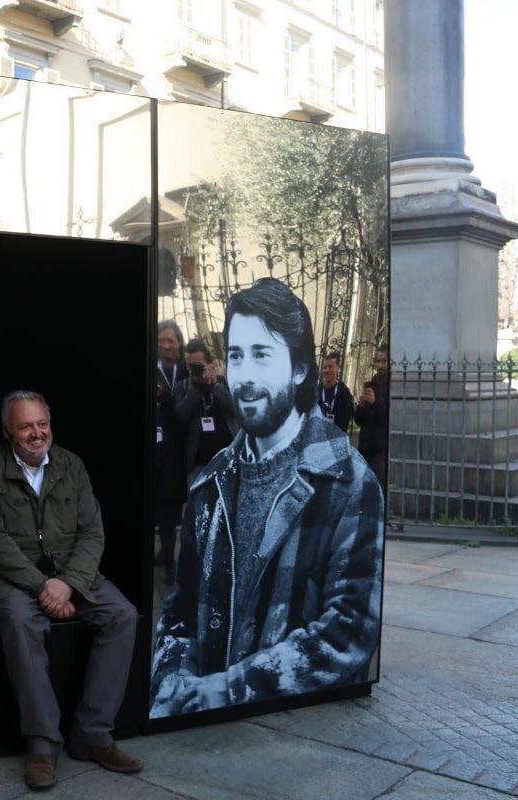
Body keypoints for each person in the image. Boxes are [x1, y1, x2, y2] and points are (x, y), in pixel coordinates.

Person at [150, 277, 383, 717]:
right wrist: (170, 683)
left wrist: (221, 693)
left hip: (301, 739)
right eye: (237, 356)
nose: (247, 374)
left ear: (298, 368)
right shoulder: (211, 483)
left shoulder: (347, 481)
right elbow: (180, 611)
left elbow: (348, 631)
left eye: (262, 354)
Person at [0, 391, 141, 791]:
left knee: (122, 615)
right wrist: (42, 586)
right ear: (8, 432)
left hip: (71, 576)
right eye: (26, 426)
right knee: (19, 620)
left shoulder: (71, 465)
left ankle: (94, 734)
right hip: (13, 578)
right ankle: (43, 744)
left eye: (42, 424)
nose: (36, 433)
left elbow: (92, 532)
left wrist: (68, 584)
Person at [174, 338, 237, 492]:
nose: (193, 370)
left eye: (198, 366)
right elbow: (181, 416)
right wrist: (195, 388)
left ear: (210, 363)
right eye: (190, 366)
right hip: (197, 465)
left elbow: (235, 410)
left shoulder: (224, 383)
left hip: (228, 461)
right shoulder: (182, 386)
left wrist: (214, 385)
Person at [155, 319, 188, 585]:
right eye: (161, 340)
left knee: (170, 514)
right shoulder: (149, 368)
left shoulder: (187, 371)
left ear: (179, 343)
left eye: (170, 340)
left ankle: (170, 564)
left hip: (176, 452)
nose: (166, 345)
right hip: (152, 450)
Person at [354, 344, 390, 492]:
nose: (380, 365)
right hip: (364, 447)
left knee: (376, 491)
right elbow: (358, 421)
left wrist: (375, 404)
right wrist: (360, 407)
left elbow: (387, 420)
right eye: (378, 361)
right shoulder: (371, 384)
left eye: (384, 361)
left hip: (379, 450)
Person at [317, 351, 355, 433]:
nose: (327, 370)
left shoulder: (344, 392)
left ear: (338, 368)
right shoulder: (316, 391)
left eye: (331, 366)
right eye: (324, 367)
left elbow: (346, 418)